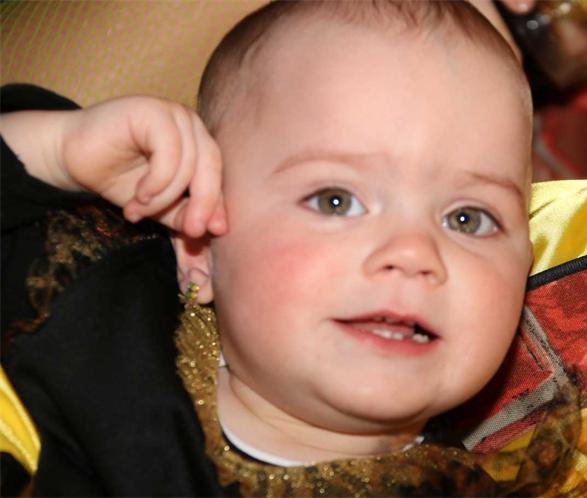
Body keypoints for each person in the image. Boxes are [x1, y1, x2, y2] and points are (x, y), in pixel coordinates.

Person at [1, 2, 545, 495]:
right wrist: (57, 151)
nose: (413, 252)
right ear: (198, 245)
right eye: (335, 201)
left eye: (467, 219)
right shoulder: (95, 307)